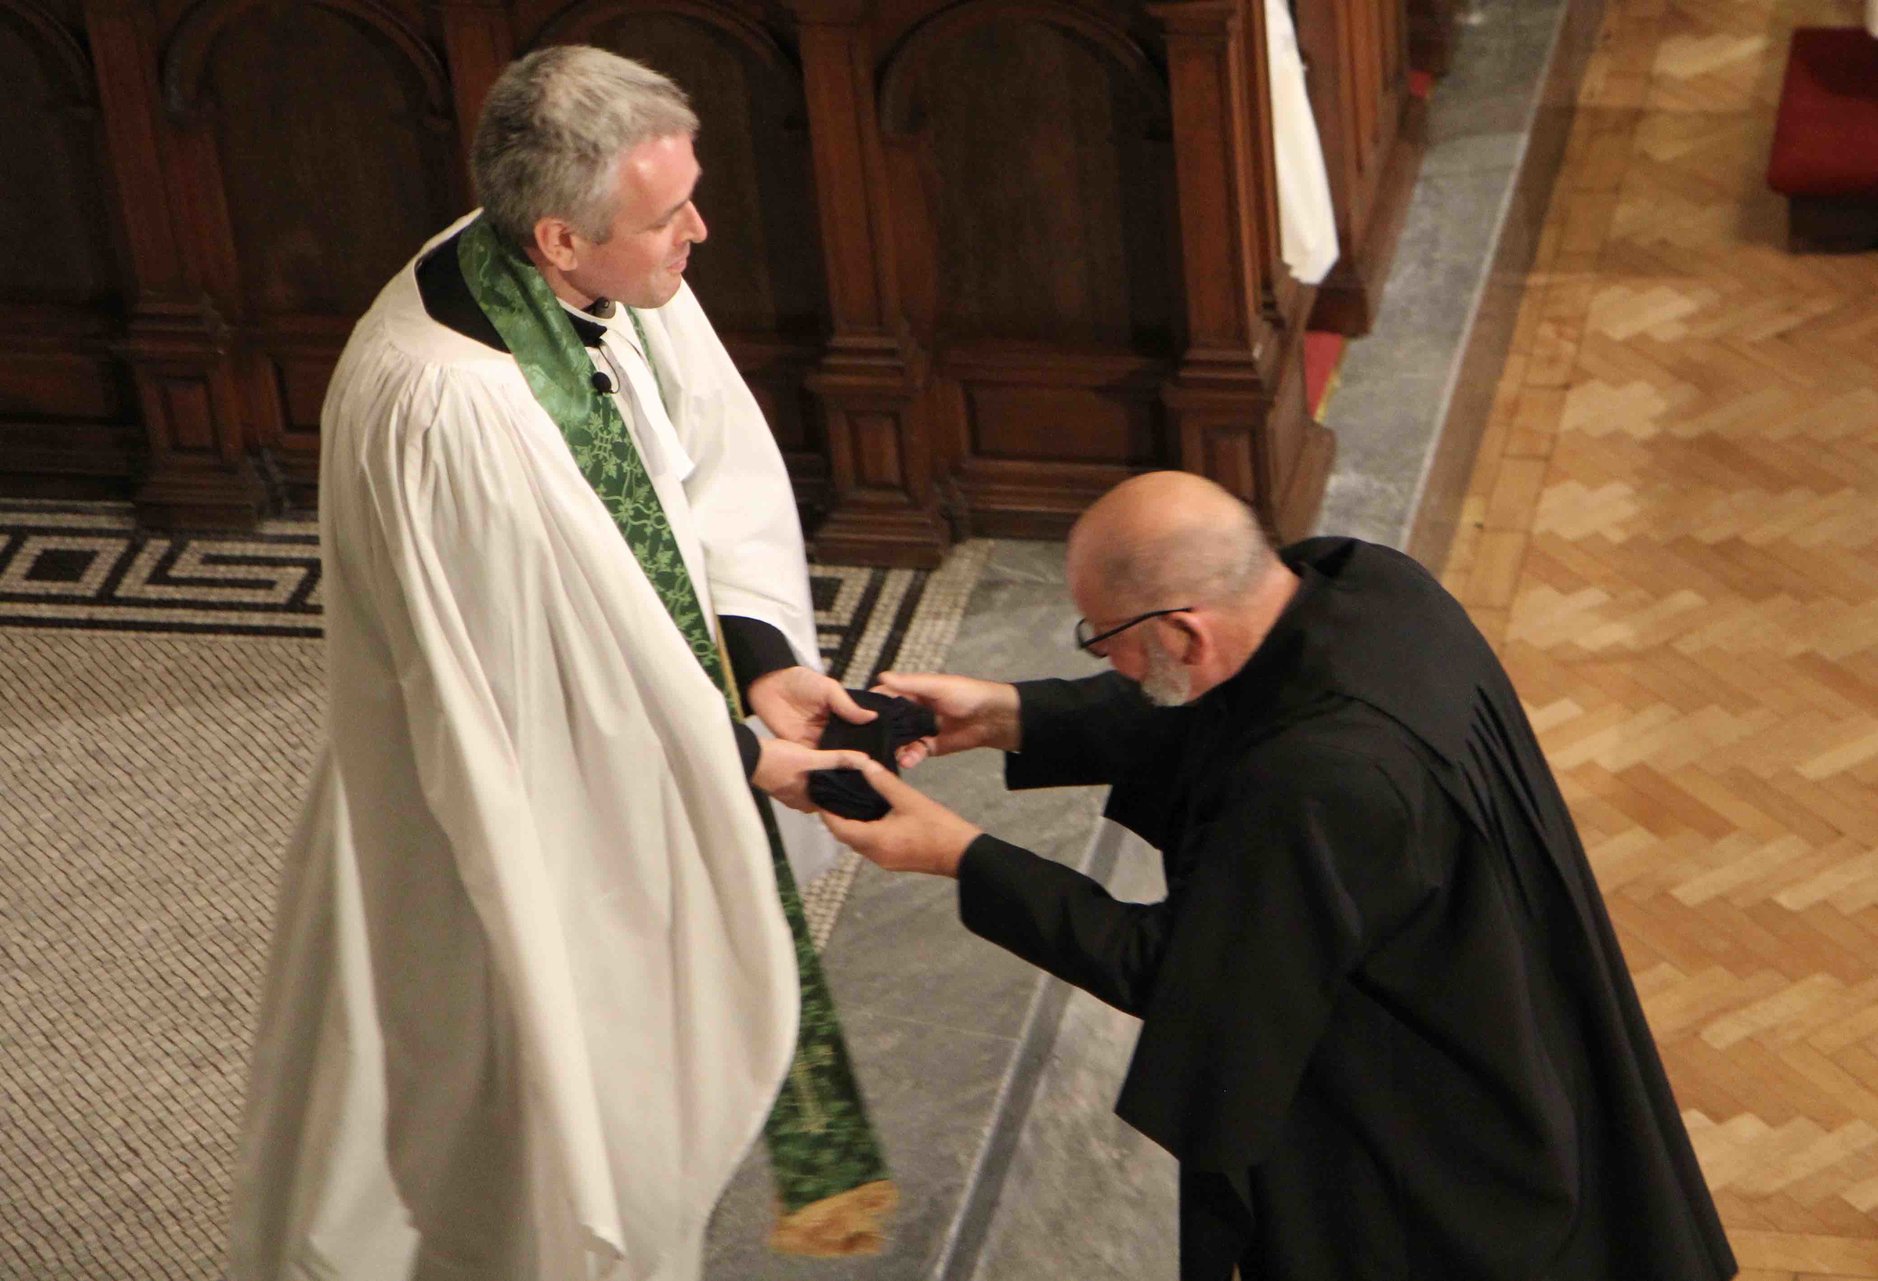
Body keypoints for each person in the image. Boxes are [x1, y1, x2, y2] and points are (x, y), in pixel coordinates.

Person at [230, 46, 895, 1281]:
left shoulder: (608, 260)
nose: (698, 230)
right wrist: (754, 761)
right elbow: (557, 686)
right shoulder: (455, 411)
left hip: (647, 737)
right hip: (518, 799)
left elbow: (711, 460)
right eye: (669, 214)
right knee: (533, 1101)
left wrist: (756, 662)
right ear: (557, 242)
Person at [823, 471, 1737, 1281]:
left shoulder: (1317, 780)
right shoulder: (1367, 586)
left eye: (1104, 642)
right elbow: (1216, 703)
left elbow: (1183, 972)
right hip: (1504, 1001)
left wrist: (958, 854)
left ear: (1183, 627)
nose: (1108, 661)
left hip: (1419, 1136)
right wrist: (1007, 715)